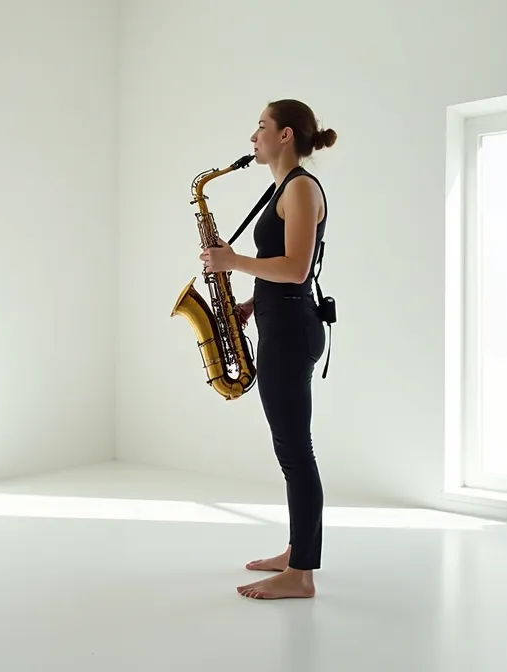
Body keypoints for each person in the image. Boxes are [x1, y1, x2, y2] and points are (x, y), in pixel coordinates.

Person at [199, 99, 337, 600]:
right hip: (279, 325)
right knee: (291, 452)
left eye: (261, 125)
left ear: (285, 136)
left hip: (293, 332)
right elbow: (283, 268)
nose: (252, 135)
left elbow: (298, 270)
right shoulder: (282, 187)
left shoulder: (299, 188)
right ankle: (297, 551)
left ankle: (301, 574)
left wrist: (233, 260)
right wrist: (253, 304)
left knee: (297, 453)